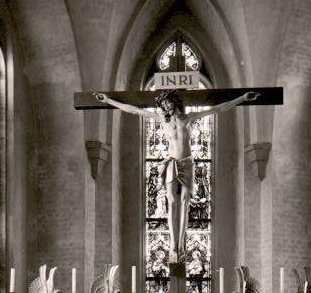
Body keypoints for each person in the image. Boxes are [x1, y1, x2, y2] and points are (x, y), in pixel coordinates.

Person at [94, 88, 259, 261]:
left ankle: (181, 243)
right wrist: (108, 101)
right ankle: (173, 244)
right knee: (172, 202)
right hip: (171, 162)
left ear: (175, 101)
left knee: (185, 202)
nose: (165, 106)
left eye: (167, 101)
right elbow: (134, 110)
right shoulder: (162, 120)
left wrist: (242, 98)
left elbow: (217, 109)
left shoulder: (188, 118)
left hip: (187, 162)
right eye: (163, 104)